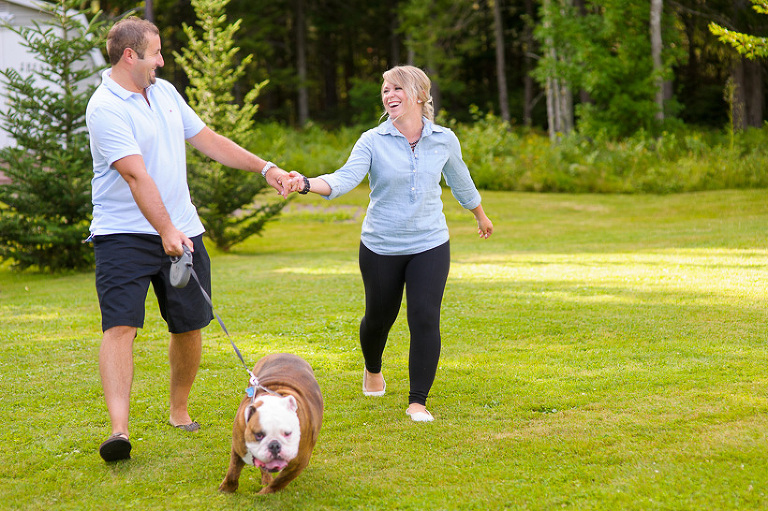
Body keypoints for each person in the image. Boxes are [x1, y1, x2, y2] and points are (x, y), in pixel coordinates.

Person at [85, 17, 290, 462]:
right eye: (155, 53)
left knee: (190, 323)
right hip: (123, 234)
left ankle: (179, 410)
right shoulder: (105, 108)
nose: (161, 60)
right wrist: (165, 231)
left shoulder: (164, 93)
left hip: (182, 228)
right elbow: (135, 176)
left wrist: (265, 168)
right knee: (120, 326)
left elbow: (208, 140)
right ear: (129, 56)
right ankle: (119, 431)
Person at [284, 65, 493, 422]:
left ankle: (417, 401)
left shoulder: (444, 138)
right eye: (385, 90)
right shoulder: (372, 140)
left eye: (397, 88)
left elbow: (460, 180)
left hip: (430, 241)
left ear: (420, 95)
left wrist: (480, 214)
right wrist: (305, 183)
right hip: (380, 245)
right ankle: (373, 366)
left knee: (425, 317)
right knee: (379, 318)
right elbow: (345, 178)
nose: (389, 95)